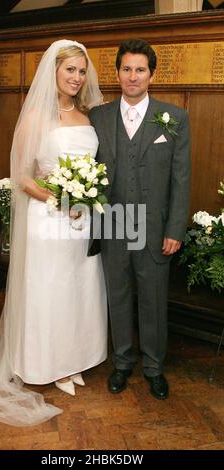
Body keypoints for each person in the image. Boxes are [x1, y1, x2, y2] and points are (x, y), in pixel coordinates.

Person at [0, 39, 107, 426]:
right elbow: (22, 176)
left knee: (81, 285)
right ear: (53, 73)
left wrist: (84, 197)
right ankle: (51, 364)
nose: (76, 77)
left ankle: (77, 357)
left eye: (81, 70)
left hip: (82, 220)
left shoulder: (89, 116)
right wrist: (57, 198)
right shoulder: (35, 119)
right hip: (49, 217)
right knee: (51, 288)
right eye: (69, 70)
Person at [89, 39, 190, 400]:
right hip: (113, 223)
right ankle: (121, 363)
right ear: (118, 72)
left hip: (154, 228)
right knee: (117, 296)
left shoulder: (174, 117)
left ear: (151, 74)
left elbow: (181, 177)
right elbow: (86, 172)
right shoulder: (97, 117)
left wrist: (176, 228)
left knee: (153, 299)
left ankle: (154, 368)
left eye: (140, 69)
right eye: (127, 69)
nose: (133, 76)